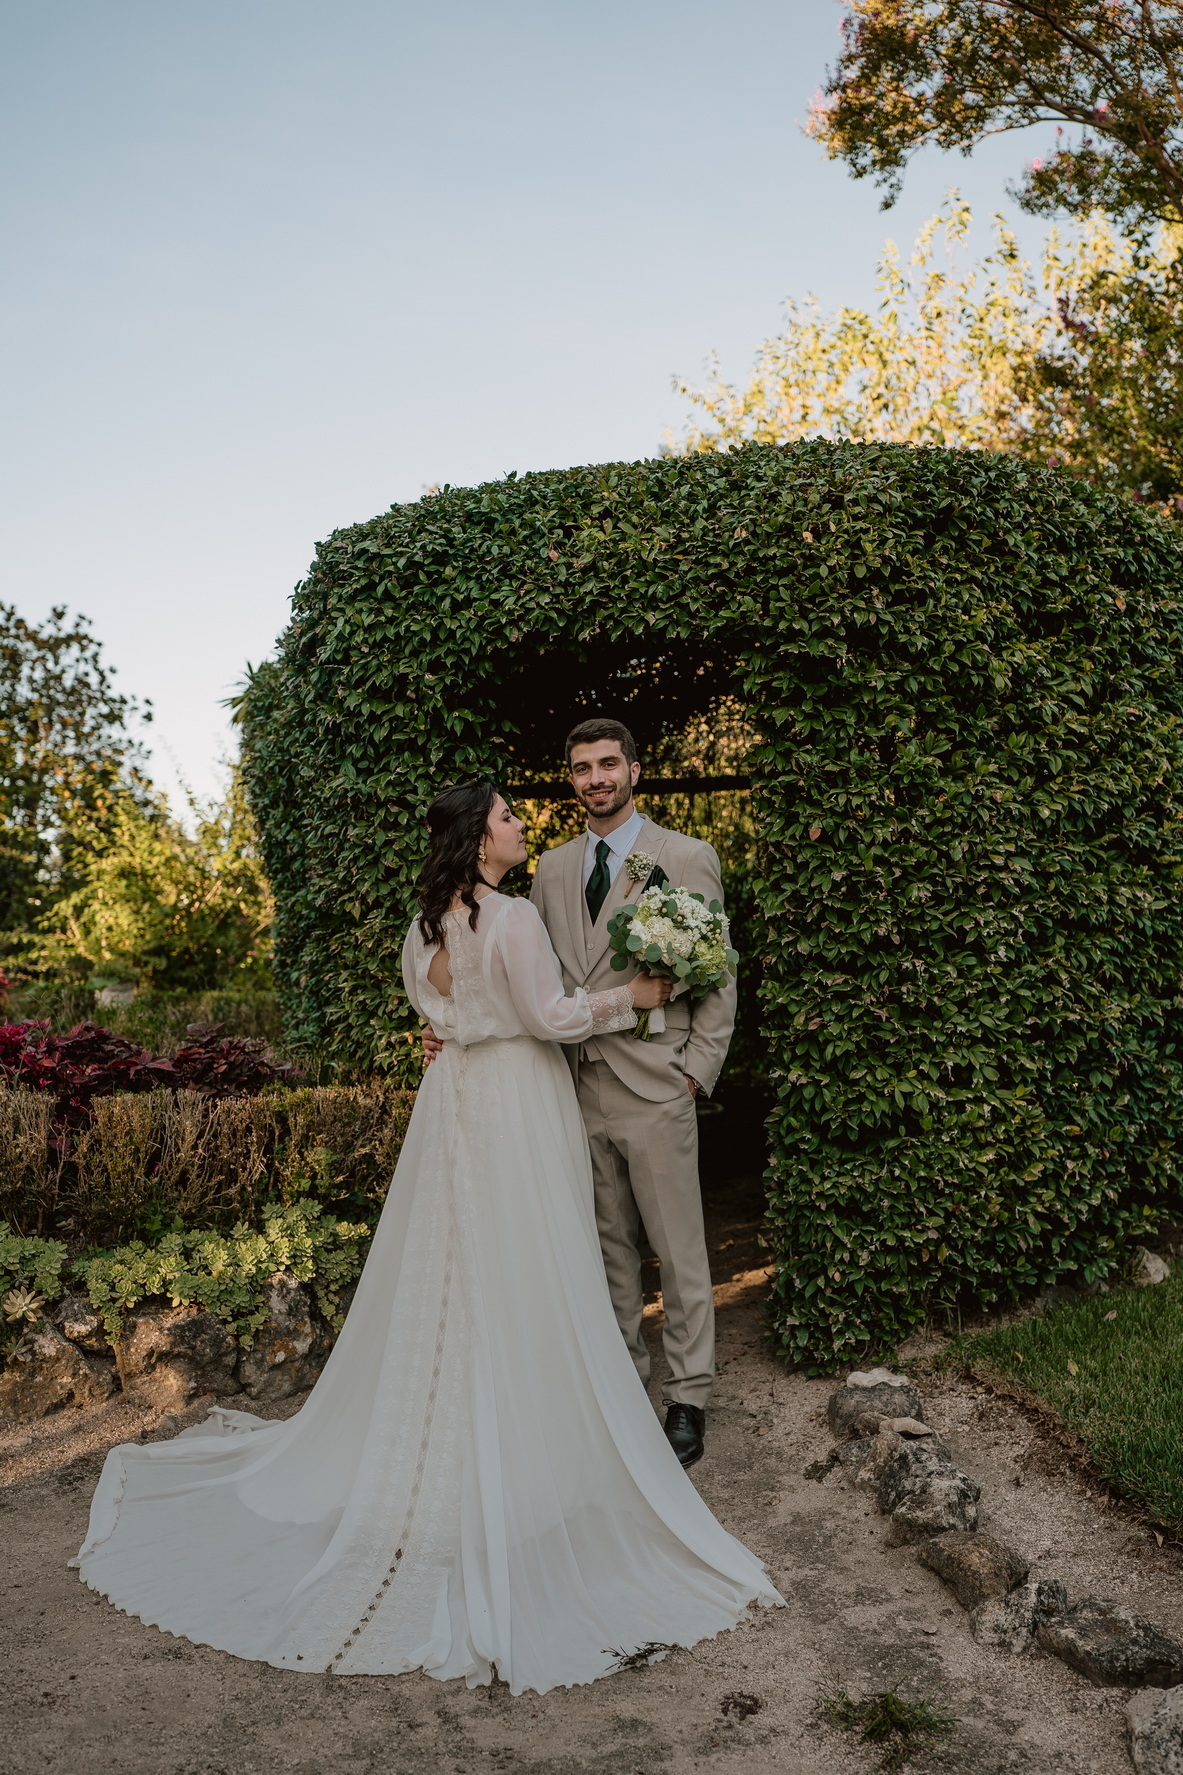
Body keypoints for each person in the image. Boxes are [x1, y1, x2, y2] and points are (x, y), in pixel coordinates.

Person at [71, 781, 781, 1696]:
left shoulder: (423, 926)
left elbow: (439, 1017)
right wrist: (631, 996)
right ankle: (529, 1450)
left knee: (452, 1268)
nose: (521, 826)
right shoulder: (512, 917)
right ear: (479, 840)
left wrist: (452, 1036)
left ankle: (457, 1432)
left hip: (452, 1101)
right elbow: (552, 1018)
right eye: (508, 817)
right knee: (526, 1267)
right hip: (517, 1099)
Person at [423, 719, 735, 1470]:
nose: (596, 778)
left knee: (678, 1248)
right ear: (570, 778)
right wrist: (453, 1029)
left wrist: (697, 1068)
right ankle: (620, 1380)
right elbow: (523, 977)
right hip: (567, 1083)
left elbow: (718, 968)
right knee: (603, 1247)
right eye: (582, 767)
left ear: (634, 770)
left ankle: (687, 1395)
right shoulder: (552, 869)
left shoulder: (685, 857)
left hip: (655, 1080)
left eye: (607, 764)